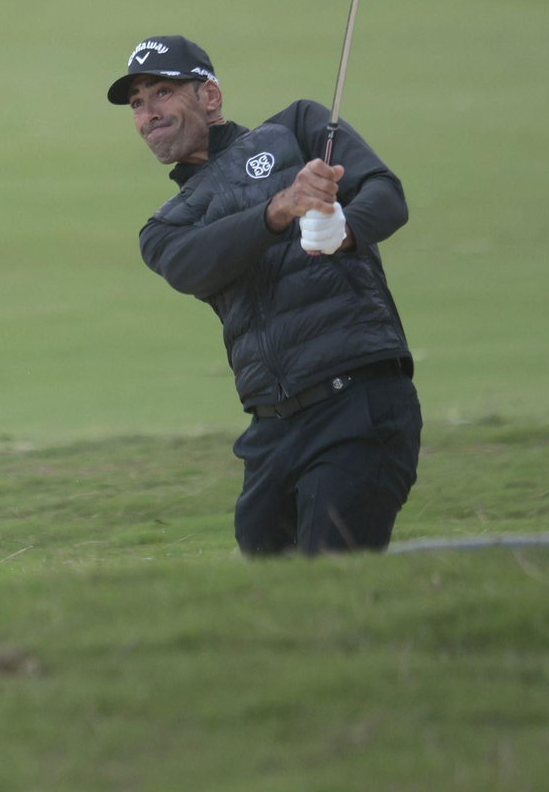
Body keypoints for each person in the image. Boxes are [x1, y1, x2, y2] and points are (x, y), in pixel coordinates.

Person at [108, 35, 420, 556]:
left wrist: (344, 230)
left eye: (162, 92)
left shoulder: (297, 128)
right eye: (138, 104)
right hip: (272, 432)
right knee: (273, 598)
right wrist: (277, 211)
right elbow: (191, 266)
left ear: (210, 96)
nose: (148, 113)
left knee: (330, 588)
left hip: (357, 404)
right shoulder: (167, 227)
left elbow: (387, 197)